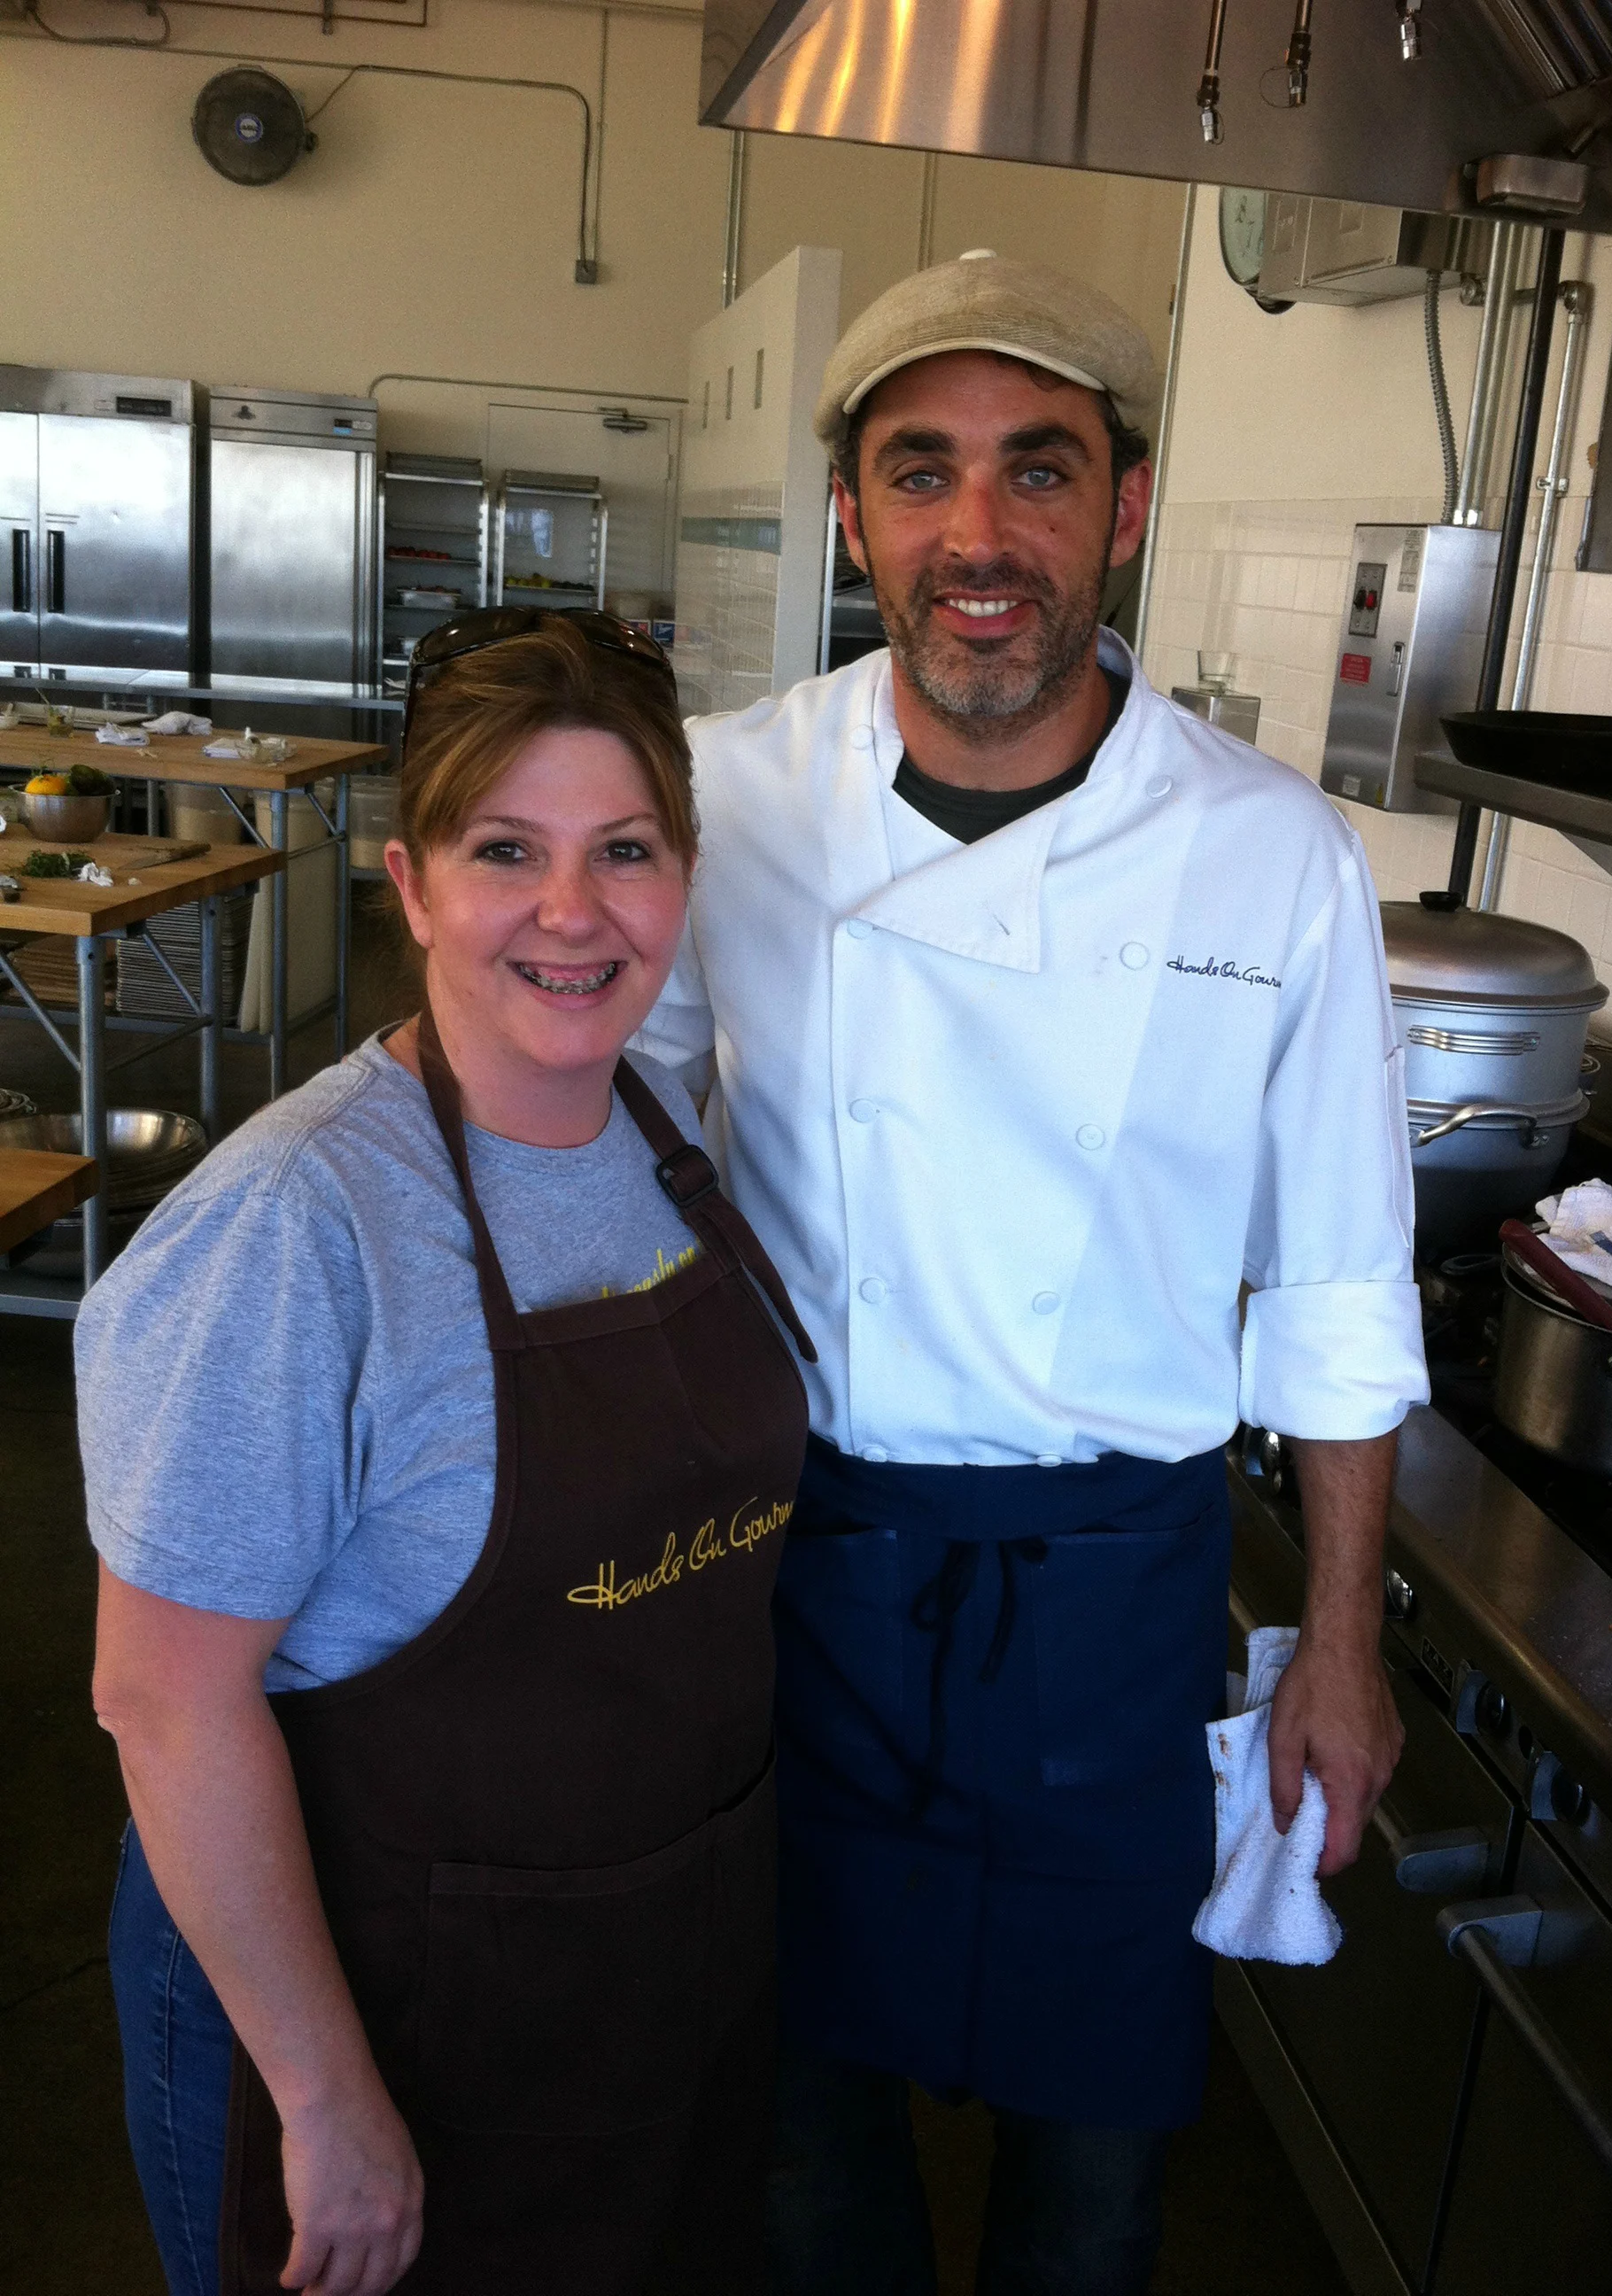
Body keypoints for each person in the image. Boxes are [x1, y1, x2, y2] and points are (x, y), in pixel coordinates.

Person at [634, 252, 1430, 2293]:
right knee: (806, 2149)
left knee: (1093, 2176)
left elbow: (1341, 1288)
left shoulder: (1273, 857)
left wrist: (1338, 1647)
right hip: (800, 1570)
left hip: (1116, 1592)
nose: (975, 538)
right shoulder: (721, 801)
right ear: (852, 518)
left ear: (1124, 509)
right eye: (920, 475)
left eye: (1036, 472)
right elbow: (603, 1158)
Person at [80, 610, 813, 2296]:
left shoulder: (665, 1147)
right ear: (408, 887)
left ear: (683, 884)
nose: (574, 913)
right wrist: (328, 2100)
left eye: (624, 852)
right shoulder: (300, 1225)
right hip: (363, 2012)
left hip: (630, 1999)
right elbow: (164, 1700)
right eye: (508, 852)